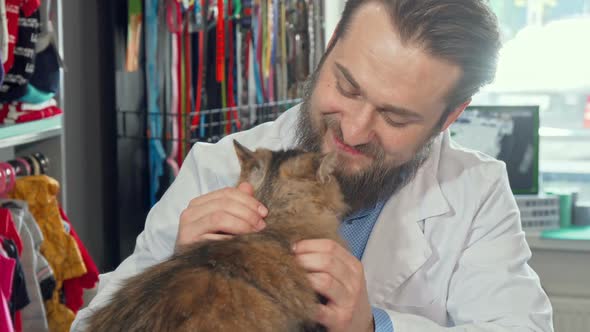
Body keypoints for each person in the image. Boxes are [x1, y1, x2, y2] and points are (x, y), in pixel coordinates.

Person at [73, 0, 554, 331]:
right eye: (346, 87)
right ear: (327, 52)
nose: (355, 130)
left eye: (395, 116)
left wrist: (373, 326)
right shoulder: (218, 165)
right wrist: (181, 278)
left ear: (450, 116)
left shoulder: (476, 191)